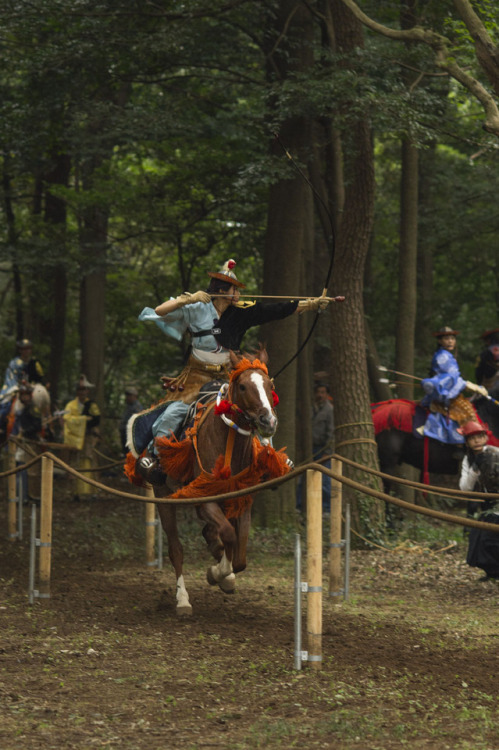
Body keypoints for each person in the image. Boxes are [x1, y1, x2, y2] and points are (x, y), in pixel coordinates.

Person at [131, 258, 330, 483]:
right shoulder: (197, 308)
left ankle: (269, 458)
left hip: (229, 376)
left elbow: (274, 310)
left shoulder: (240, 312)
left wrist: (312, 304)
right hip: (197, 376)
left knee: (259, 406)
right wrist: (188, 298)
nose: (238, 294)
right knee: (174, 412)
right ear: (222, 291)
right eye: (235, 289)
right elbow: (160, 310)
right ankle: (156, 459)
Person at [419, 326, 488, 444]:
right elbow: (449, 378)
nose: (450, 341)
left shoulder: (447, 355)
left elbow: (453, 377)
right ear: (440, 341)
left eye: (452, 338)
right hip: (446, 393)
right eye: (446, 338)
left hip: (450, 391)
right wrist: (466, 384)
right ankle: (466, 446)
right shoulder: (443, 356)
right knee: (468, 413)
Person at [458, 420, 499, 582]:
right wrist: (475, 468)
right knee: (477, 537)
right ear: (467, 442)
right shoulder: (468, 460)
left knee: (489, 538)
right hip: (488, 505)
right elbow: (465, 488)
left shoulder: (496, 453)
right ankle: (492, 573)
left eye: (480, 436)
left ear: (485, 438)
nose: (476, 441)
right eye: (472, 438)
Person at [63, 375, 101, 500]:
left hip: (88, 437)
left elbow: (96, 420)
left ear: (87, 391)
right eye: (80, 389)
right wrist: (84, 419)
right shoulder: (70, 405)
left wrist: (81, 421)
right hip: (75, 439)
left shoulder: (91, 405)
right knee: (76, 462)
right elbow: (66, 419)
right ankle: (76, 492)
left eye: (84, 389)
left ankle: (91, 491)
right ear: (77, 391)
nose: (82, 392)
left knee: (89, 461)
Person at [0, 339, 46, 439]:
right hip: (16, 387)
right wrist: (18, 386)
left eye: (28, 349)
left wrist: (33, 385)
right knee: (6, 404)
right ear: (20, 350)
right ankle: (3, 427)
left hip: (33, 388)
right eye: (24, 349)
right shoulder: (14, 363)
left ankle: (47, 428)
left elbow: (40, 378)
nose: (26, 351)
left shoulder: (35, 362)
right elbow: (11, 378)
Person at [11, 381, 47, 503]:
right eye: (22, 394)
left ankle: (33, 496)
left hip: (31, 441)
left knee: (32, 471)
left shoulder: (34, 408)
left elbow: (37, 425)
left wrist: (25, 432)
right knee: (20, 467)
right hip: (23, 442)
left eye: (26, 394)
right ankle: (22, 495)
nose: (24, 397)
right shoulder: (24, 408)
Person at [119, 386, 143, 456]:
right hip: (125, 433)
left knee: (130, 453)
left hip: (131, 435)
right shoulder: (129, 406)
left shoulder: (137, 407)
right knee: (126, 453)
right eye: (127, 395)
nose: (127, 397)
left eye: (130, 395)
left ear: (135, 396)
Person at [475, 327, 499, 398]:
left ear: (488, 341)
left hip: (490, 384)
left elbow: (478, 372)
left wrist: (479, 384)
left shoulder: (484, 354)